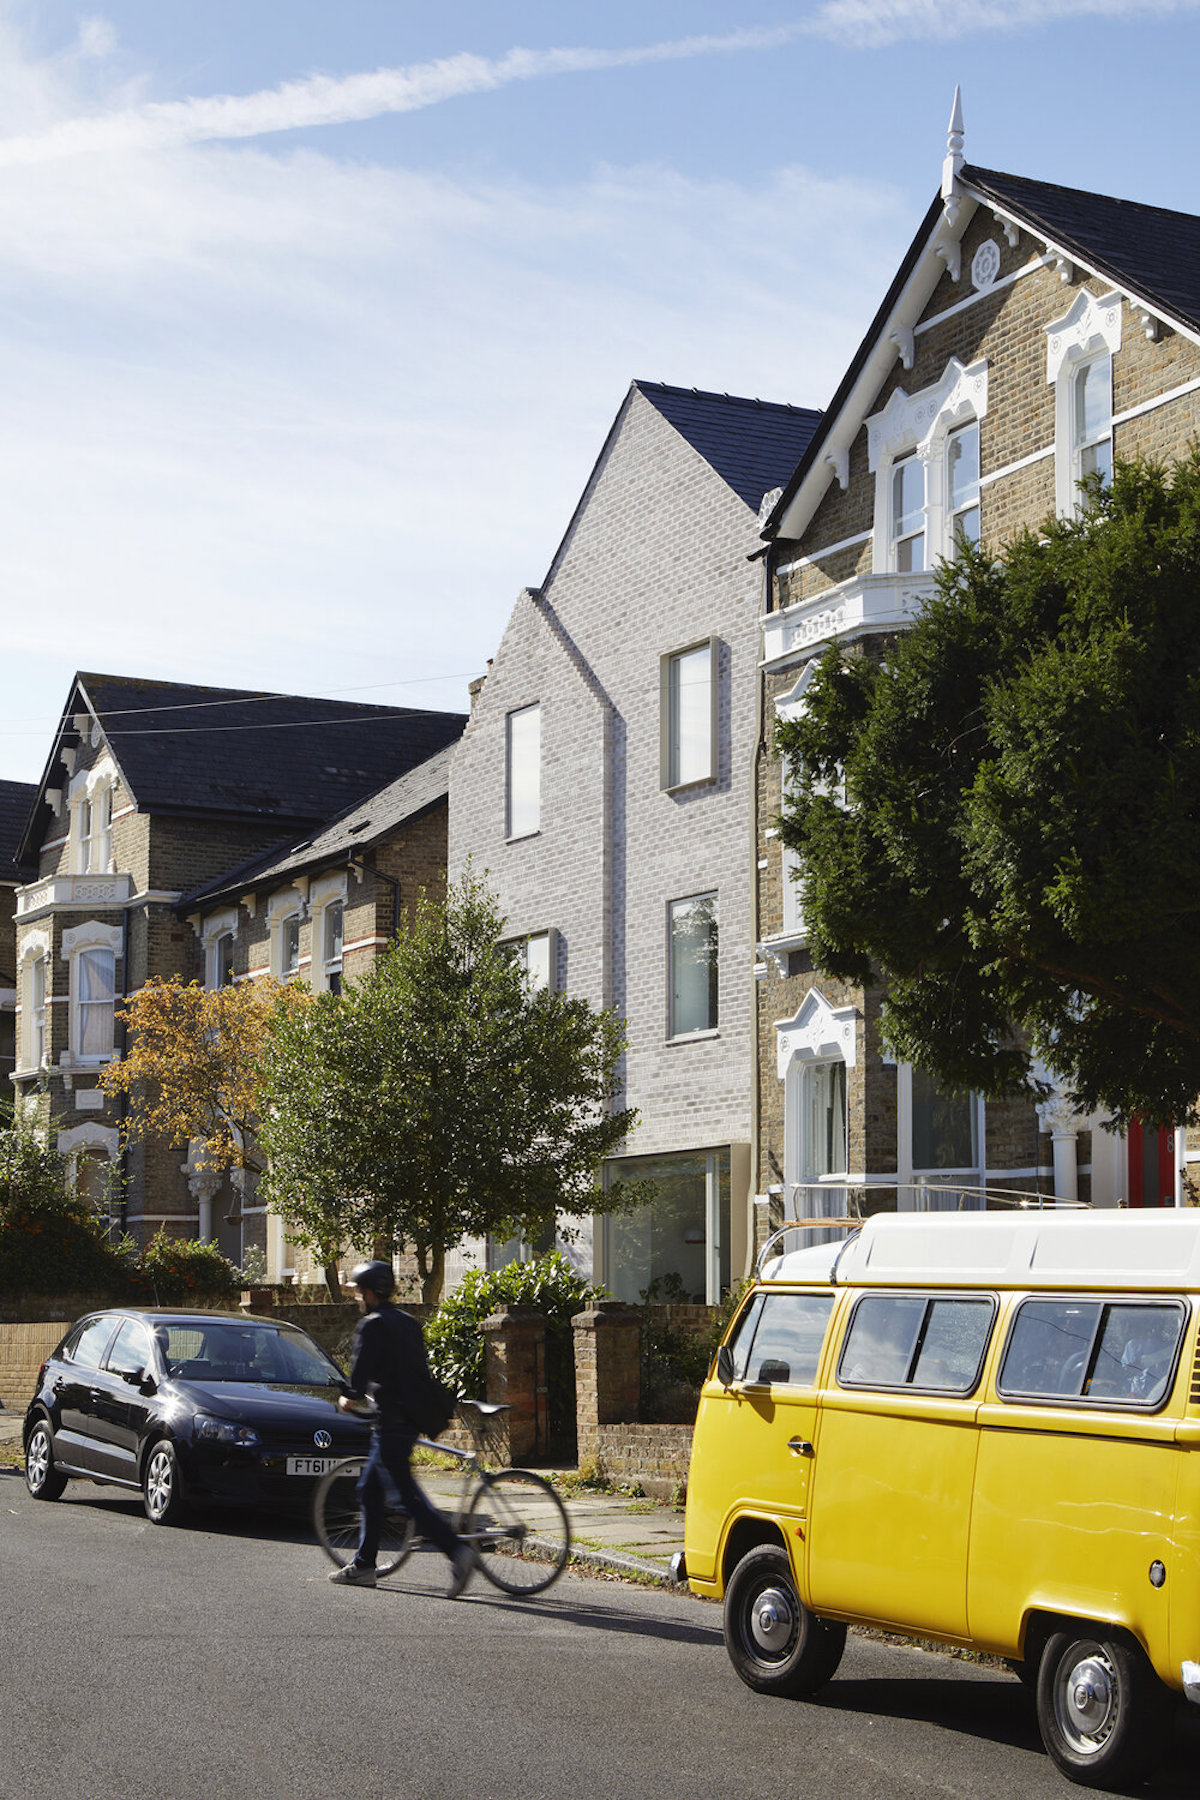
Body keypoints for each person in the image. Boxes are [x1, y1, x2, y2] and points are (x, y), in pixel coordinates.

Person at [330, 1259, 475, 1598]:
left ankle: (457, 1551)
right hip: (410, 1418)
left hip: (390, 1420)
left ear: (368, 1292)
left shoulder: (372, 1325)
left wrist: (348, 1398)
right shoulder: (409, 1323)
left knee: (405, 1497)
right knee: (369, 1488)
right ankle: (364, 1565)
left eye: (359, 1291)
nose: (357, 1297)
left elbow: (360, 1374)